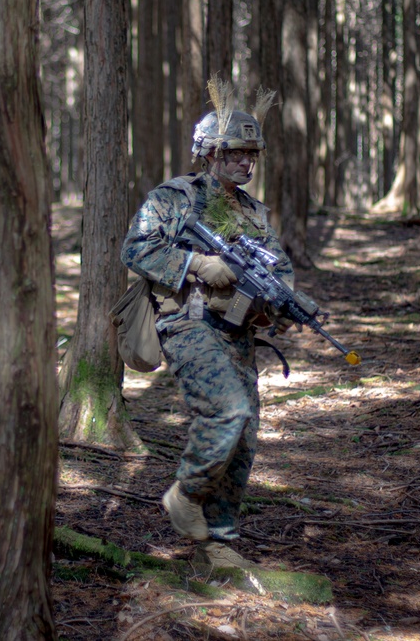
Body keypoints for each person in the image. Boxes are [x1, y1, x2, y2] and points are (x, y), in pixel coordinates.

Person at [120, 77, 295, 570]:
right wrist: (196, 266)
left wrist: (279, 301)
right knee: (229, 412)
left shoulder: (255, 214)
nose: (246, 163)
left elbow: (279, 270)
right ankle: (185, 494)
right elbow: (134, 250)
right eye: (237, 153)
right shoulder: (174, 198)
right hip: (188, 322)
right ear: (210, 152)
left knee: (245, 437)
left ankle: (216, 544)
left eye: (251, 155)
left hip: (239, 332)